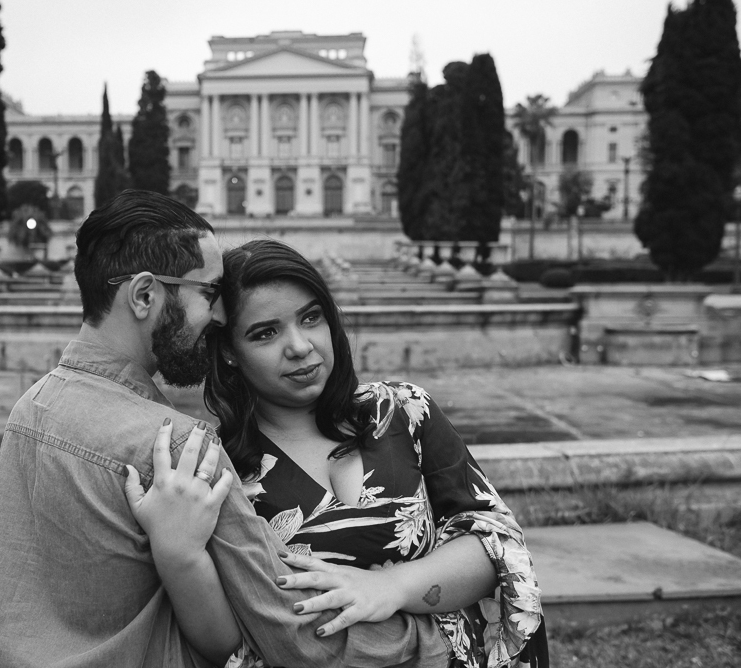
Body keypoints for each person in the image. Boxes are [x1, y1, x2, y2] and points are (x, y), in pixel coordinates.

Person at [0, 190, 457, 668]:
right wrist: (433, 638)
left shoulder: (29, 412)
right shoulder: (176, 446)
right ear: (145, 295)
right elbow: (297, 634)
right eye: (209, 293)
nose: (219, 315)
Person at [124, 238, 548, 668]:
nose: (300, 346)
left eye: (311, 318)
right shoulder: (222, 469)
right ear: (230, 352)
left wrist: (391, 587)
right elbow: (230, 642)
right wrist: (179, 555)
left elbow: (495, 541)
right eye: (265, 332)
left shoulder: (402, 409)